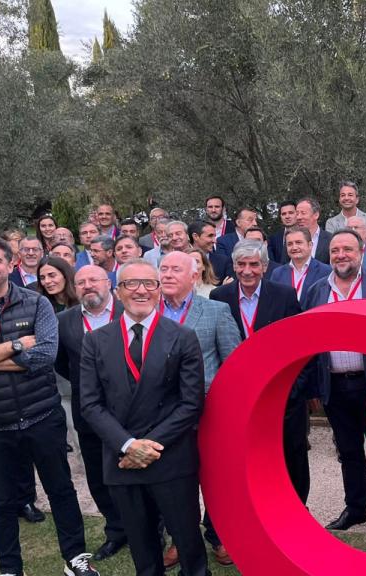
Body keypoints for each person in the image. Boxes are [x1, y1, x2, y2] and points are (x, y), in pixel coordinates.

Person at [0, 237, 99, 576]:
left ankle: (75, 559)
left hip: (41, 416)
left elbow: (45, 357)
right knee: (1, 503)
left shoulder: (37, 304)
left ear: (10, 265)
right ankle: (10, 569)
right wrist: (16, 344)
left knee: (61, 490)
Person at [79, 259, 206, 576]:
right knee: (143, 549)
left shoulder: (182, 336)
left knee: (189, 545)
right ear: (118, 291)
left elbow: (191, 403)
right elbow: (91, 405)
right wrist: (127, 445)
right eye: (131, 283)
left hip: (171, 458)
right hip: (122, 462)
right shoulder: (95, 341)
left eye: (149, 283)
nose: (141, 290)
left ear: (159, 291)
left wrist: (147, 447)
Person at [303, 230, 366, 534]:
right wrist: (314, 387)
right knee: (348, 451)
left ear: (361, 252)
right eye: (334, 250)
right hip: (335, 384)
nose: (340, 255)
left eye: (347, 249)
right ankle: (355, 508)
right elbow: (308, 339)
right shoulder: (317, 290)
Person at [210, 240, 311, 506]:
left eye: (254, 264)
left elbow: (300, 348)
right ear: (233, 266)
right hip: (241, 398)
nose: (247, 270)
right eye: (241, 264)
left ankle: (296, 510)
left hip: (282, 396)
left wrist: (292, 390)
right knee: (248, 458)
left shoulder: (285, 295)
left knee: (292, 457)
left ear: (264, 267)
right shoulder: (219, 297)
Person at [159, 251, 241, 566]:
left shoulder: (217, 311)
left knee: (215, 478)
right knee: (174, 480)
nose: (166, 274)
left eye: (174, 269)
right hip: (162, 415)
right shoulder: (148, 312)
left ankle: (219, 535)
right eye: (163, 268)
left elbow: (233, 364)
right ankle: (180, 538)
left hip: (209, 413)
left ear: (194, 276)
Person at [55, 265, 127, 562]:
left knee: (138, 472)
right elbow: (62, 363)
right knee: (98, 477)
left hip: (131, 411)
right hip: (88, 414)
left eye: (93, 280)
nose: (87, 286)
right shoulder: (64, 321)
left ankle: (152, 527)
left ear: (108, 282)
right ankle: (117, 530)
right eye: (80, 282)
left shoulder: (129, 310)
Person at [268, 228, 331, 306]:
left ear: (310, 245)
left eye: (298, 242)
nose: (294, 247)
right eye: (290, 244)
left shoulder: (326, 271)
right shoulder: (277, 273)